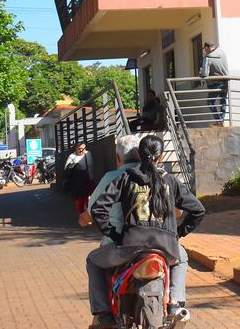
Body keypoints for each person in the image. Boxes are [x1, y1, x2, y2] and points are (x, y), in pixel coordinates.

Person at [86, 135, 205, 329]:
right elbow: (198, 210)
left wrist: (115, 234)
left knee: (93, 261)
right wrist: (178, 234)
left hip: (130, 247)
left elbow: (98, 209)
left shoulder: (126, 177)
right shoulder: (171, 181)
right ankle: (175, 304)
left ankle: (104, 314)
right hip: (167, 249)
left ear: (139, 155)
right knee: (182, 259)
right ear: (161, 156)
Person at [199, 41, 230, 125]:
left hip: (215, 83)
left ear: (206, 47)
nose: (204, 51)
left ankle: (218, 120)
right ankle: (221, 119)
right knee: (223, 101)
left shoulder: (208, 57)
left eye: (204, 49)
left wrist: (201, 71)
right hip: (225, 81)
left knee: (210, 102)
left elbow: (204, 74)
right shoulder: (222, 53)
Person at [65, 142, 94, 214]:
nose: (81, 150)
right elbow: (66, 167)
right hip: (78, 181)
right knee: (80, 198)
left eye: (83, 149)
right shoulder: (72, 156)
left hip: (89, 179)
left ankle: (89, 213)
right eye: (79, 149)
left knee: (90, 197)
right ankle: (81, 214)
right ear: (76, 149)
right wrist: (75, 165)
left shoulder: (88, 154)